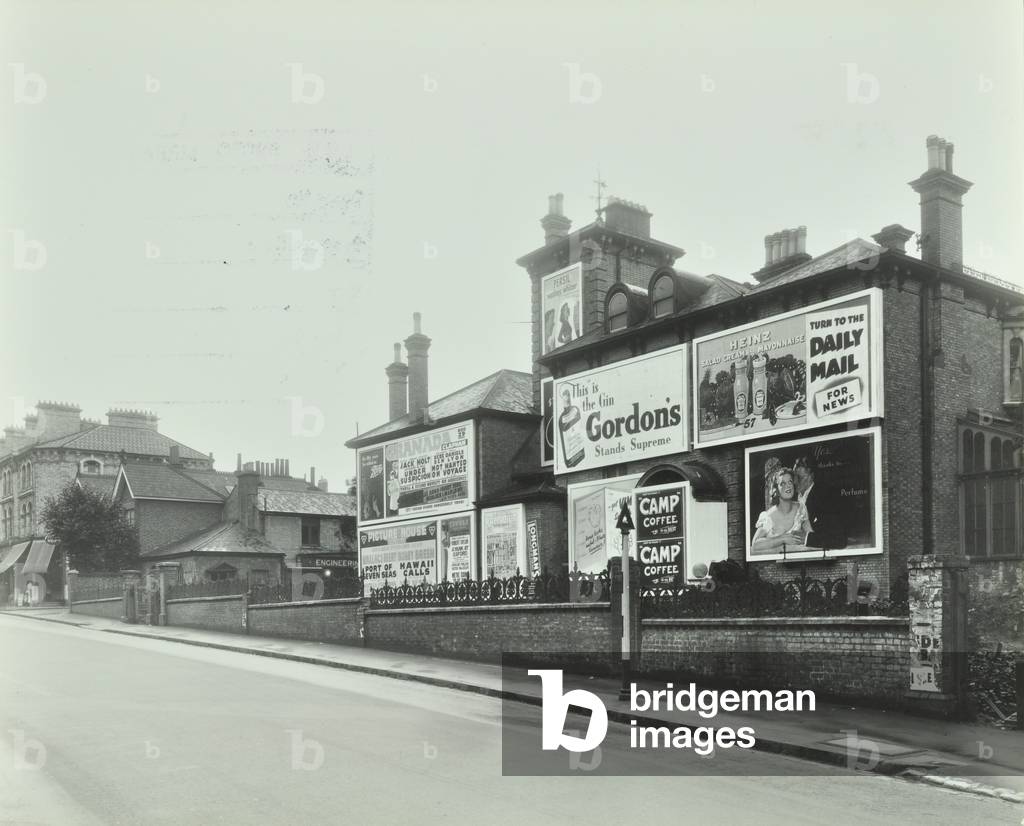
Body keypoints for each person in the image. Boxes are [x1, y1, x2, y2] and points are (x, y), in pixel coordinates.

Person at [750, 468, 809, 554]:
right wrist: (783, 539)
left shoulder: (801, 508)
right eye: (782, 483)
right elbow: (755, 544)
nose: (788, 486)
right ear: (776, 490)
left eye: (790, 482)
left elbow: (811, 537)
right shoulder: (768, 516)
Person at [794, 454, 847, 549]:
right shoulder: (792, 498)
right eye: (794, 478)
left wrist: (806, 538)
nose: (795, 482)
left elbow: (840, 540)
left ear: (811, 475)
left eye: (799, 478)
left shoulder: (825, 498)